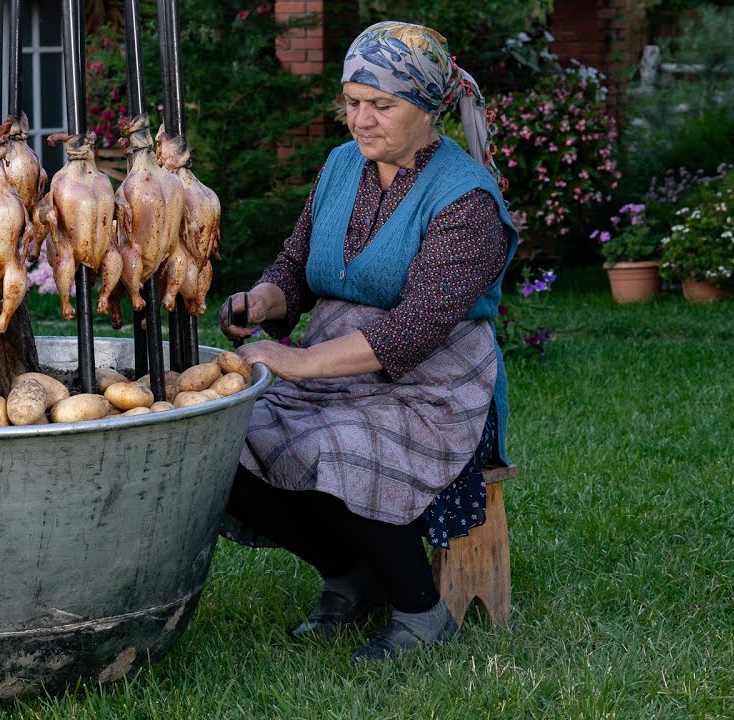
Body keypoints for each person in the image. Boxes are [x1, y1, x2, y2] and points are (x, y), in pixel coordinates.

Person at [217, 21, 518, 664]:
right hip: (332, 367)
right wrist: (261, 301)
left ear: (430, 109)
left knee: (342, 450)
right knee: (222, 442)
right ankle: (350, 576)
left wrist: (295, 362)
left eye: (382, 105)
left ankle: (421, 613)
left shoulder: (467, 201)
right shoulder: (341, 166)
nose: (362, 120)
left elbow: (413, 331)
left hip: (433, 385)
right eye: (352, 102)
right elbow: (296, 266)